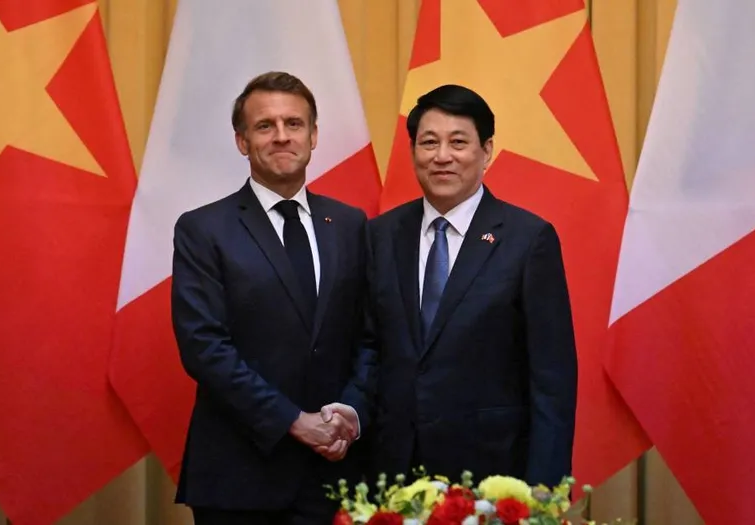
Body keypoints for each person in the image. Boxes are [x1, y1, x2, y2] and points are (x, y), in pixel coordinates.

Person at [170, 71, 376, 525]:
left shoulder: (351, 225)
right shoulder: (203, 229)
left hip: (335, 472)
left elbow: (371, 334)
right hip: (240, 476)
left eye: (294, 124)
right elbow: (204, 347)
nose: (282, 136)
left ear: (314, 135)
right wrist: (292, 420)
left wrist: (349, 413)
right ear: (242, 141)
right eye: (265, 126)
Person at [358, 84, 577, 488]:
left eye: (458, 142)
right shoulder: (378, 236)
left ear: (486, 151)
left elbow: (552, 379)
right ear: (413, 152)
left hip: (492, 471)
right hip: (391, 469)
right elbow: (367, 346)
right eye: (429, 142)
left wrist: (544, 489)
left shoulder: (528, 239)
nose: (442, 156)